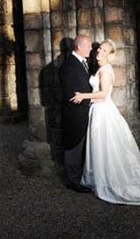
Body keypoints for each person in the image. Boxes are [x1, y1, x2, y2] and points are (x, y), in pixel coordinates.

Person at [70, 39, 140, 205]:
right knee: (100, 146)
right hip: (97, 111)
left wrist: (83, 95)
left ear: (110, 55)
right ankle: (100, 179)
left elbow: (103, 94)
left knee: (108, 147)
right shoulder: (99, 69)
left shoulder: (106, 70)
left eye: (104, 51)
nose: (99, 52)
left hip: (103, 111)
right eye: (100, 49)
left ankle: (114, 183)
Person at [59, 34, 93, 193]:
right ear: (79, 47)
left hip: (84, 113)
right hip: (75, 115)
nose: (91, 49)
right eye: (88, 46)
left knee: (82, 148)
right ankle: (73, 181)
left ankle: (81, 177)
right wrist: (92, 100)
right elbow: (70, 94)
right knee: (74, 146)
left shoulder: (83, 63)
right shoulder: (68, 66)